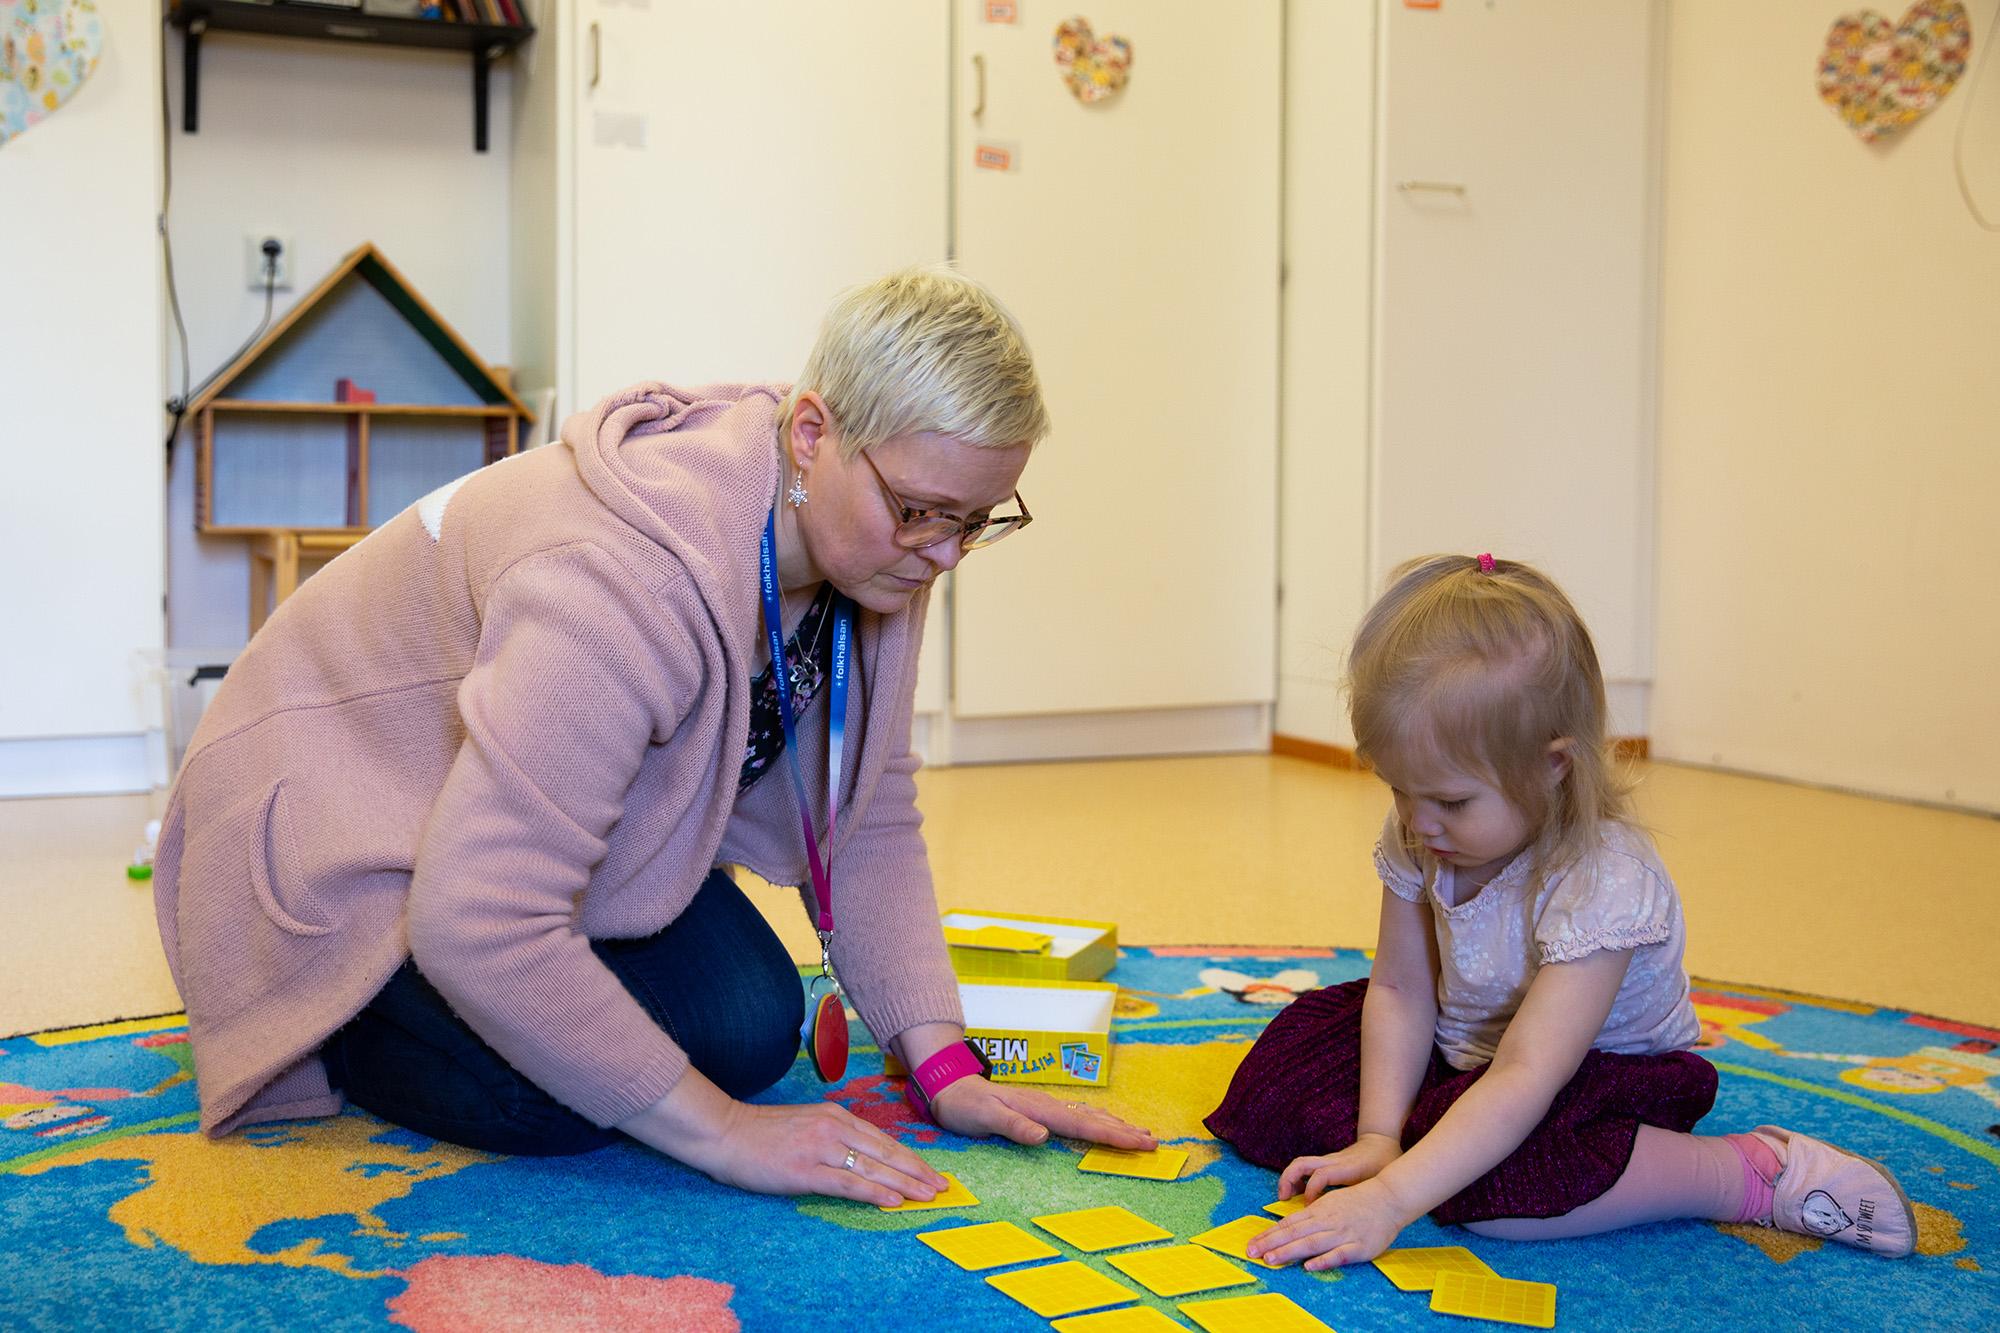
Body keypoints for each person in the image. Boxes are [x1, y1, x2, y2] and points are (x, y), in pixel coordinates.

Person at [154, 266, 1154, 1207]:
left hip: (502, 824)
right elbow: (478, 916)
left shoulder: (878, 542)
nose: (943, 554)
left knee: (749, 1023)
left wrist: (941, 1064)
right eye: (922, 512)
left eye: (976, 521)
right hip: (339, 831)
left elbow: (869, 809)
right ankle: (337, 1010)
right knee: (550, 1100)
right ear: (812, 431)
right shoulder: (623, 578)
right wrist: (724, 1136)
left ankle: (482, 1009)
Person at [1207, 554, 1916, 1267]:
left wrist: (1392, 1198)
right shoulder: (1421, 832)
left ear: (1554, 764)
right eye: (1399, 789)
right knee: (1278, 1087)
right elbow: (1398, 990)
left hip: (1590, 1074)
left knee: (1509, 1194)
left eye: (1450, 801)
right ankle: (1425, 1138)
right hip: (1465, 1050)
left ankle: (1742, 1172)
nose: (1418, 822)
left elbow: (1525, 1071)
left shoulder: (1603, 879)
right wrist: (1377, 1138)